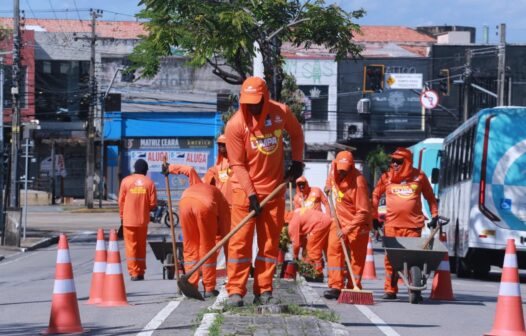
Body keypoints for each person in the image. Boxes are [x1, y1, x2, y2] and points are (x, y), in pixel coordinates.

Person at [224, 76, 304, 307]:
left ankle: (264, 290)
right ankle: (236, 291)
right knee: (240, 243)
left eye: (257, 101)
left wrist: (297, 161)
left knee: (269, 245)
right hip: (244, 192)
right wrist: (250, 194)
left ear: (266, 97)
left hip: (274, 191)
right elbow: (237, 165)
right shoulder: (235, 125)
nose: (253, 106)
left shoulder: (280, 113)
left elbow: (297, 134)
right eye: (248, 102)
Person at [371, 147, 439, 301]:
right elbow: (375, 194)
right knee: (390, 259)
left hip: (413, 226)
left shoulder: (419, 177)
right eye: (393, 161)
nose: (394, 164)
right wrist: (375, 216)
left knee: (414, 258)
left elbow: (430, 198)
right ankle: (390, 289)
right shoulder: (386, 177)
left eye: (398, 161)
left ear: (407, 162)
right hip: (391, 225)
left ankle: (414, 287)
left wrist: (435, 215)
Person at [162, 163, 231, 298]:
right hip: (205, 205)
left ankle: (191, 284)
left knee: (190, 245)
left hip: (185, 202)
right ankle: (209, 287)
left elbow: (189, 169)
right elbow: (225, 233)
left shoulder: (197, 182)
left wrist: (169, 168)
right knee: (207, 246)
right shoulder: (219, 196)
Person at [324, 151, 372, 300]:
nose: (342, 172)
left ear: (351, 167)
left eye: (346, 169)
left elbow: (363, 212)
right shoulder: (334, 172)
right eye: (340, 169)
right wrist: (327, 187)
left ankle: (353, 286)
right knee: (334, 251)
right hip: (338, 220)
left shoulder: (359, 183)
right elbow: (330, 182)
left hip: (357, 224)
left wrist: (347, 229)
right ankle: (335, 286)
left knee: (356, 258)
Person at [118, 159, 157, 281]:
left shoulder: (126, 181)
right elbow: (153, 204)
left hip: (128, 221)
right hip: (142, 221)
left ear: (134, 169)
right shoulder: (149, 183)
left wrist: (122, 216)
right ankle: (140, 271)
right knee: (141, 246)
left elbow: (121, 202)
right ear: (145, 170)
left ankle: (134, 272)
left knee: (131, 247)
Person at [287, 208, 332, 282]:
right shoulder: (296, 213)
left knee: (313, 249)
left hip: (320, 223)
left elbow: (296, 244)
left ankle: (317, 274)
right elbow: (302, 238)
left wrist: (295, 257)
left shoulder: (292, 224)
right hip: (324, 220)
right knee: (315, 248)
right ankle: (313, 270)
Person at [203, 134, 233, 205]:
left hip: (234, 201)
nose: (220, 147)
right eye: (219, 145)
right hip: (222, 201)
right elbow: (221, 179)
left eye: (222, 145)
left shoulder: (235, 161)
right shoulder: (219, 164)